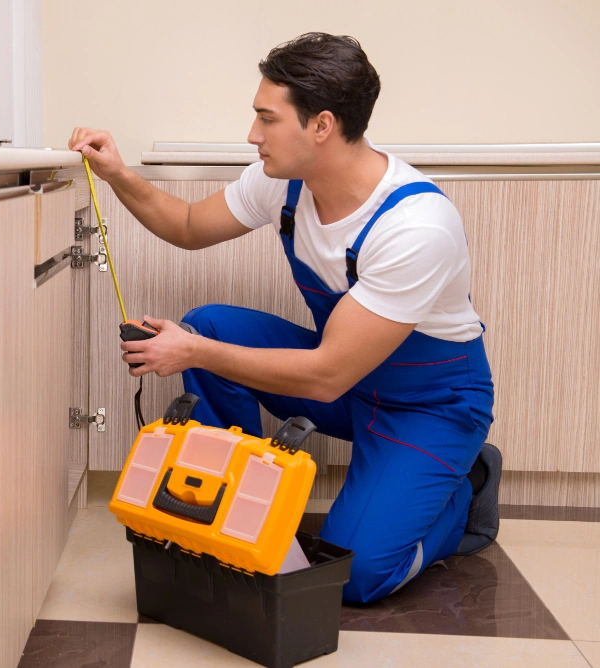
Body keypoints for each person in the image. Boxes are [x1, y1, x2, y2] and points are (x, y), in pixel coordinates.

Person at [68, 32, 500, 604]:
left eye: (266, 118)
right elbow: (190, 227)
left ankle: (465, 491)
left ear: (321, 126)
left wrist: (191, 352)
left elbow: (326, 375)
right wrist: (117, 173)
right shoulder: (283, 184)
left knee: (357, 576)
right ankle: (232, 511)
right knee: (209, 325)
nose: (253, 134)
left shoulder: (416, 226)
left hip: (427, 405)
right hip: (350, 384)